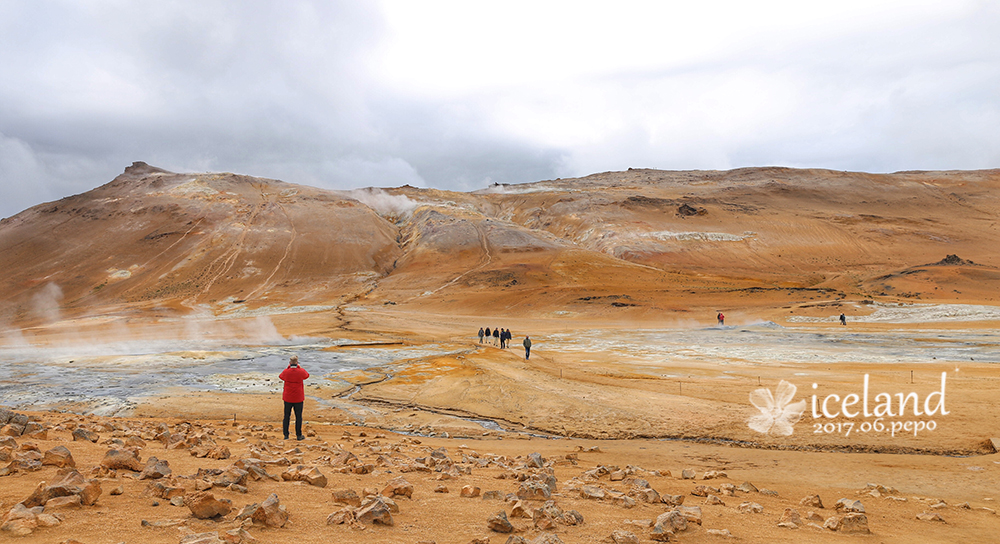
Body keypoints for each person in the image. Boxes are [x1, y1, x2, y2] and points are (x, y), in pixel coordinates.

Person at [279, 355, 309, 440]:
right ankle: (298, 435)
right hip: (298, 398)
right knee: (298, 416)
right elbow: (306, 375)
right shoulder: (300, 371)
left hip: (288, 397)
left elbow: (281, 376)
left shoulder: (286, 371)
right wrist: (299, 367)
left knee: (286, 416)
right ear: (297, 362)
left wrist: (289, 367)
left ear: (290, 362)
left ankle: (286, 435)